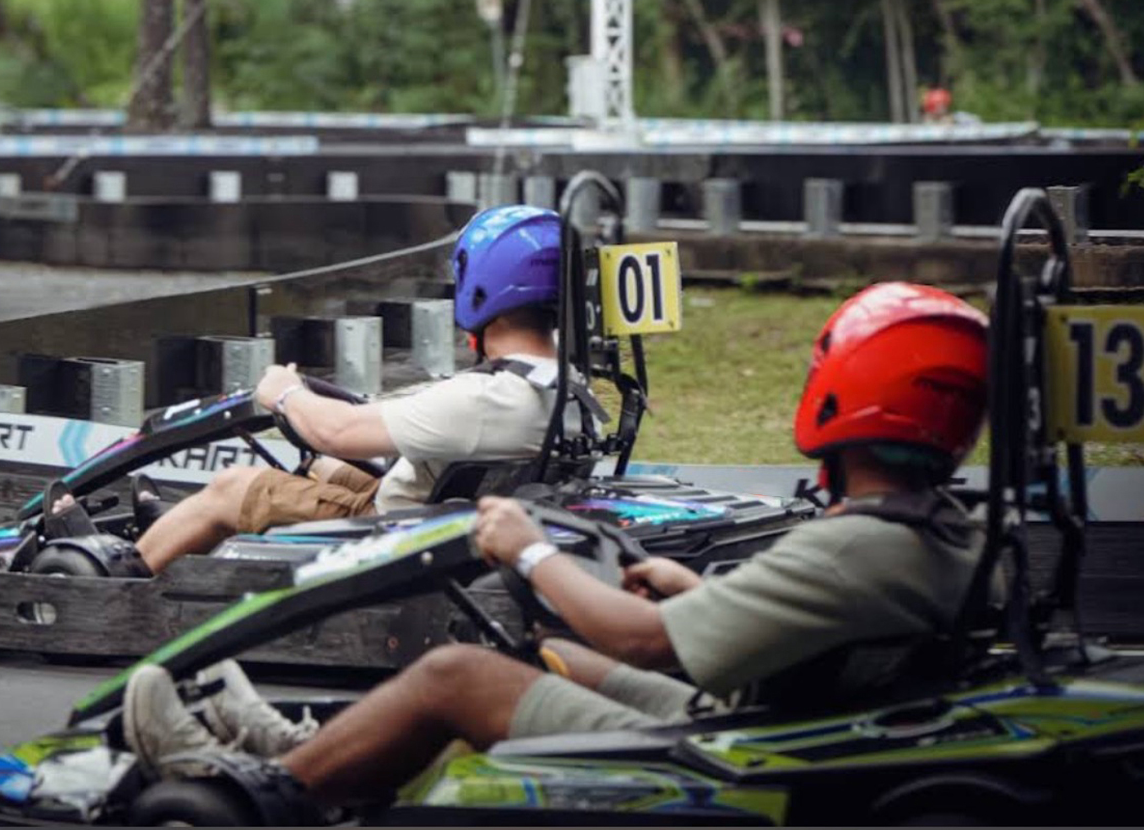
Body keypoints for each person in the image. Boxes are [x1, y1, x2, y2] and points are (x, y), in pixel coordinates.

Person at [123, 281, 994, 808]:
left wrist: (531, 550)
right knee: (544, 651)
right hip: (781, 717)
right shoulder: (938, 534)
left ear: (845, 394)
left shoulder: (857, 546)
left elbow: (643, 643)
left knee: (457, 674)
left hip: (730, 747)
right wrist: (696, 592)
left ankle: (259, 793)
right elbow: (805, 629)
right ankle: (306, 751)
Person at [50, 205, 576, 575]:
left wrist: (283, 391)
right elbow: (389, 422)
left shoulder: (489, 400)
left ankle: (118, 574)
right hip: (443, 502)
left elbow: (340, 430)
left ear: (482, 288)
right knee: (320, 468)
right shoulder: (557, 382)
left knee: (236, 485)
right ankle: (179, 532)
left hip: (400, 532)